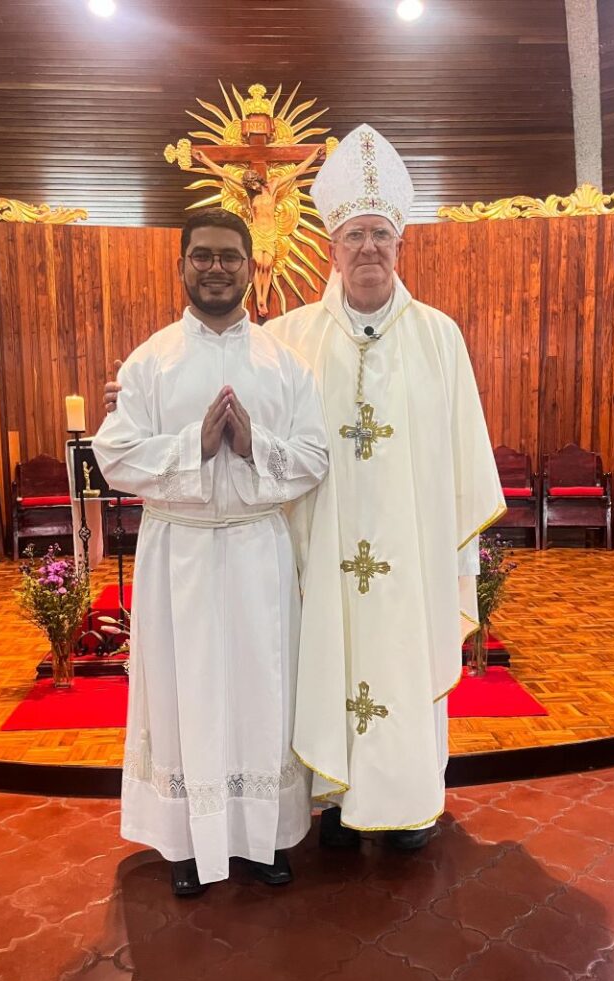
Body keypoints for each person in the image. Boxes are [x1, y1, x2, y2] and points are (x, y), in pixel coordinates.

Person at [104, 126, 504, 853]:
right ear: (331, 245)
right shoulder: (287, 337)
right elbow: (226, 378)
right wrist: (137, 398)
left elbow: (464, 454)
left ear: (400, 241)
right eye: (354, 235)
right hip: (317, 557)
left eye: (380, 234)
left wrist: (453, 554)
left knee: (402, 660)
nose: (368, 249)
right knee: (318, 667)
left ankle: (408, 798)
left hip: (407, 557)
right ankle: (332, 801)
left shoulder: (441, 338)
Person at [92, 208, 328, 897]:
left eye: (230, 256)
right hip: (181, 553)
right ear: (183, 266)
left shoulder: (285, 365)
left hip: (258, 549)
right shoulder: (151, 359)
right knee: (182, 693)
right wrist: (190, 447)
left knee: (262, 691)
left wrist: (257, 446)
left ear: (251, 267)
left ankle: (264, 839)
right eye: (203, 256)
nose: (217, 267)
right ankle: (189, 844)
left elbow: (314, 455)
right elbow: (115, 455)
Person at [191, 146, 325, 318]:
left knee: (267, 265)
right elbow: (225, 175)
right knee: (258, 264)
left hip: (270, 232)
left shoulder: (272, 187)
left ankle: (263, 296)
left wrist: (314, 155)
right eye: (249, 185)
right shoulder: (250, 195)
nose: (252, 187)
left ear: (258, 179)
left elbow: (297, 171)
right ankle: (260, 299)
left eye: (253, 183)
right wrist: (205, 160)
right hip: (256, 232)